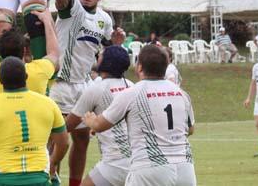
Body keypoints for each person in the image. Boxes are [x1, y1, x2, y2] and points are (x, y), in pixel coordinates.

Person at [50, 0, 123, 186]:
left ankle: (73, 183)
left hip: (85, 84)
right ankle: (50, 178)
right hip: (62, 83)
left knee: (82, 139)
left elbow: (107, 47)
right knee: (58, 138)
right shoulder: (71, 8)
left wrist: (116, 43)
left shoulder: (104, 19)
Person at [83, 45, 196, 186]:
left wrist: (91, 121)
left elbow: (100, 125)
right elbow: (190, 130)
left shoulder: (132, 93)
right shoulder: (181, 93)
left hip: (150, 169)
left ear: (140, 67)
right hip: (185, 170)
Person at [0, 56, 69, 186]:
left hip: (3, 178)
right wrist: (53, 162)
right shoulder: (49, 104)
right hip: (39, 177)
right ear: (26, 77)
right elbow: (64, 142)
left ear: (0, 80)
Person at [66, 45, 133, 186]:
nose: (98, 56)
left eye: (101, 54)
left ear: (107, 62)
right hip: (139, 161)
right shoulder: (131, 85)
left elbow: (68, 126)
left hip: (114, 163)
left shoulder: (96, 89)